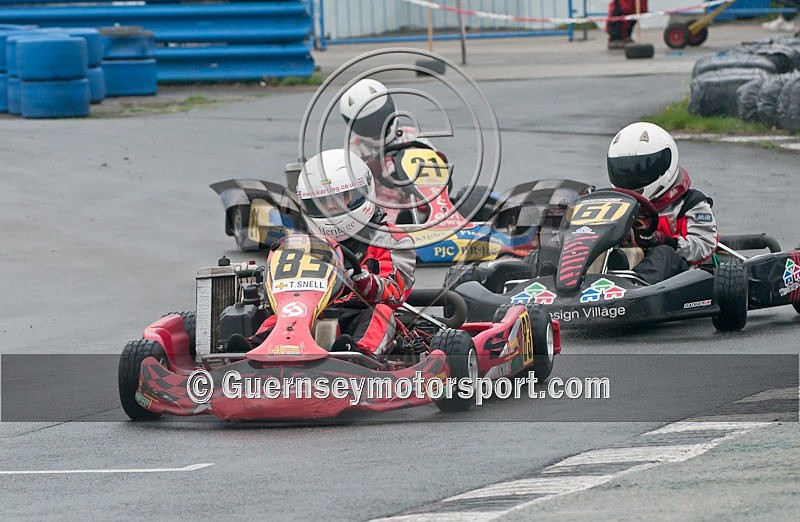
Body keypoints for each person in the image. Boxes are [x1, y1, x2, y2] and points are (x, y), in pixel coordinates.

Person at [225, 149, 416, 357]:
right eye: (322, 202)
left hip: (361, 313)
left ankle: (361, 355)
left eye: (339, 198)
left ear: (361, 193)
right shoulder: (302, 243)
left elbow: (396, 294)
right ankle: (253, 351)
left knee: (382, 314)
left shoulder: (393, 239)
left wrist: (363, 280)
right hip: (312, 310)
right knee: (285, 314)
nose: (330, 208)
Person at [606, 122, 718, 284]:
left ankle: (637, 288)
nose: (632, 178)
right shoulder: (615, 204)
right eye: (625, 171)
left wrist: (664, 241)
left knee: (663, 254)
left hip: (680, 277)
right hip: (627, 267)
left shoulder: (690, 202)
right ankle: (568, 287)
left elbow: (704, 245)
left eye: (640, 171)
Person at [339, 78, 441, 222]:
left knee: (453, 202)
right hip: (382, 205)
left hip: (420, 197)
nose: (375, 127)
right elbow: (349, 192)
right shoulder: (354, 149)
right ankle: (402, 226)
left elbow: (439, 165)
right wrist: (368, 173)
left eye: (378, 119)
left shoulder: (411, 135)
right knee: (393, 215)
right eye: (367, 124)